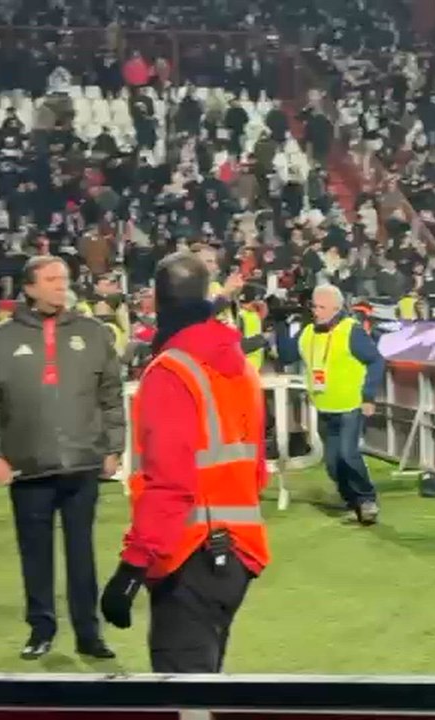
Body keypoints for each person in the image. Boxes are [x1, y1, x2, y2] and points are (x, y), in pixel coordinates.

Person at [101, 251, 270, 673]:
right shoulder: (240, 369)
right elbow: (256, 469)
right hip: (239, 550)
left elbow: (170, 483)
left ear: (157, 303)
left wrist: (132, 566)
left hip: (189, 553)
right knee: (208, 688)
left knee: (185, 697)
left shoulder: (170, 372)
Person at [0, 256, 126, 661]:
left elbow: (111, 395)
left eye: (65, 279)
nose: (61, 286)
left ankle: (88, 633)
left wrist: (113, 447)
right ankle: (41, 629)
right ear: (29, 288)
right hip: (28, 466)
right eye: (52, 279)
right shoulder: (0, 340)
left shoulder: (93, 333)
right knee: (34, 555)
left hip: (82, 462)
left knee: (82, 555)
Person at [276, 284, 385, 525]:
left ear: (337, 308)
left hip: (350, 406)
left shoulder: (351, 331)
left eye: (322, 307)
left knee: (348, 455)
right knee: (333, 464)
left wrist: (368, 396)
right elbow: (286, 356)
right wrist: (280, 324)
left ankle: (367, 499)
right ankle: (352, 501)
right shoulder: (307, 332)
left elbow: (376, 361)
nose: (316, 311)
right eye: (314, 306)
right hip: (324, 407)